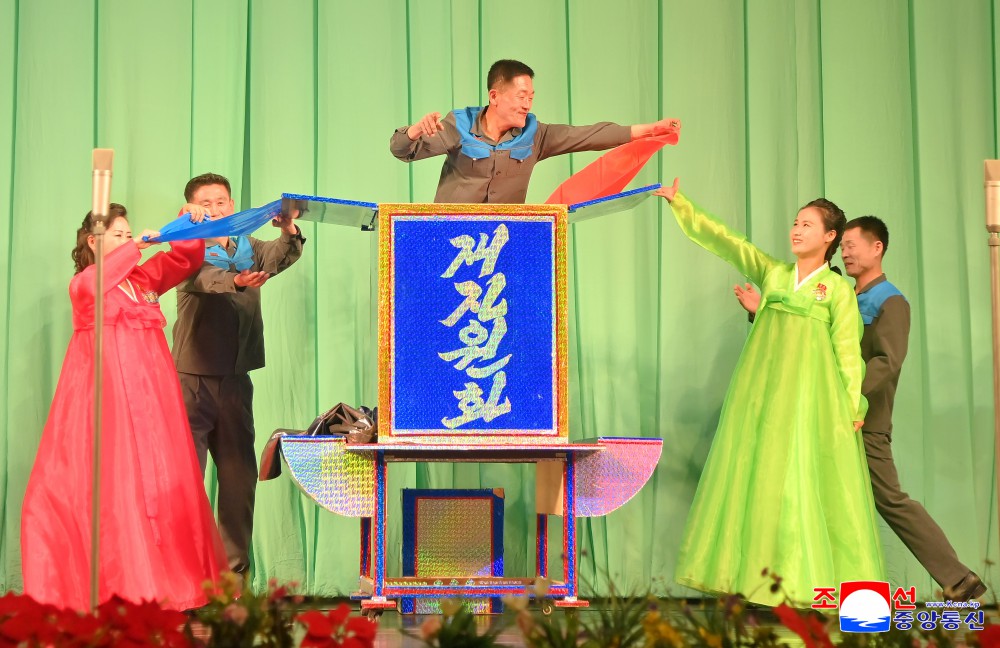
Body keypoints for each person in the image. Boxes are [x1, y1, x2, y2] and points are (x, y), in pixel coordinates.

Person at [655, 179, 885, 606]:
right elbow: (730, 243)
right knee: (761, 489)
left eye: (807, 225)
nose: (796, 230)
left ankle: (813, 591)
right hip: (763, 401)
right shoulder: (775, 274)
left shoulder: (836, 290)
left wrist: (854, 404)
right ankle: (763, 585)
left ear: (830, 237)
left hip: (811, 405)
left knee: (806, 489)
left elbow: (847, 352)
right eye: (796, 223)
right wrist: (681, 204)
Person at [734, 216, 986, 602]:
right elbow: (808, 336)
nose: (846, 253)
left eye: (852, 245)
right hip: (819, 415)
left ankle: (959, 578)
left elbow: (887, 362)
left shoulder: (890, 301)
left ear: (877, 248)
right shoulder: (836, 291)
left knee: (888, 498)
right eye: (843, 246)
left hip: (861, 419)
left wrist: (844, 396)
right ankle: (806, 589)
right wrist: (761, 311)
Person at [22, 205, 227, 611]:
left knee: (161, 485)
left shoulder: (142, 281)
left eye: (128, 233)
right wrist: (135, 248)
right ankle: (116, 586)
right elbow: (99, 280)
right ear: (93, 242)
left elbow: (183, 259)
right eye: (117, 234)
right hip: (108, 404)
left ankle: (170, 583)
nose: (127, 239)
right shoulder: (85, 284)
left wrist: (186, 224)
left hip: (152, 403)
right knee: (115, 486)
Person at [172, 173, 305, 585]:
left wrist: (288, 229)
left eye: (221, 202)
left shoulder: (250, 247)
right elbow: (201, 278)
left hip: (235, 380)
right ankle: (184, 581)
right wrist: (236, 280)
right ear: (193, 210)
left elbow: (282, 255)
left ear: (232, 206)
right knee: (185, 480)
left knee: (238, 478)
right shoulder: (187, 248)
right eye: (205, 204)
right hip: (192, 379)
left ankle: (232, 580)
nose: (215, 210)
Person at [390, 59, 681, 203]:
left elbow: (590, 135)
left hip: (504, 244)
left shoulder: (536, 135)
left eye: (531, 97)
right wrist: (414, 132)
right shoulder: (460, 125)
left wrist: (651, 129)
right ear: (494, 96)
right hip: (452, 243)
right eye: (521, 96)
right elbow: (401, 150)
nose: (527, 104)